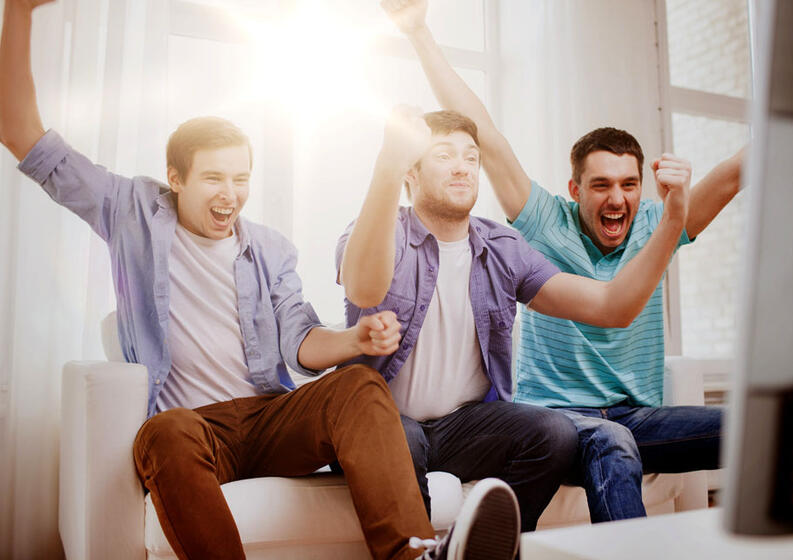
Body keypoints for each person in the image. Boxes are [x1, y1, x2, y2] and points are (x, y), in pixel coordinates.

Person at [0, 2, 522, 559]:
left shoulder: (270, 249)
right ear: (175, 178)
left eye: (241, 179)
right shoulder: (130, 212)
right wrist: (19, 13)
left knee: (359, 385)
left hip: (270, 418)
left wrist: (354, 340)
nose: (230, 195)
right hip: (197, 427)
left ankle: (414, 554)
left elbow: (300, 342)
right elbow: (20, 132)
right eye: (214, 178)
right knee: (161, 434)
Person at [382, 0, 740, 523]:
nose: (616, 199)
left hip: (638, 416)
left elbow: (732, 174)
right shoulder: (544, 221)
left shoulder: (659, 222)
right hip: (560, 418)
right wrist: (419, 33)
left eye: (629, 185)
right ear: (575, 189)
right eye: (601, 185)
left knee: (760, 427)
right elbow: (484, 133)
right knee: (612, 441)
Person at [336, 100, 691, 534]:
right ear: (411, 171)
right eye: (444, 155)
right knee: (398, 440)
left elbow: (611, 307)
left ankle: (489, 543)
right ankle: (422, 553)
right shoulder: (377, 229)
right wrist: (388, 166)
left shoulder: (501, 247)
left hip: (465, 426)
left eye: (471, 157)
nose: (462, 167)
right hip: (384, 420)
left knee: (555, 433)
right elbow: (362, 288)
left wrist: (673, 220)